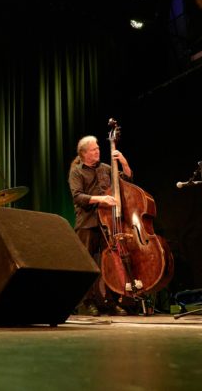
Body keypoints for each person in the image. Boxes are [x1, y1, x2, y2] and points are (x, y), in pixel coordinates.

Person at [68, 135, 133, 316]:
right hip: (87, 222)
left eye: (98, 148)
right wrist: (101, 199)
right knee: (87, 264)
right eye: (94, 149)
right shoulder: (76, 172)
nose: (98, 151)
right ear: (84, 153)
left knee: (110, 264)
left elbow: (127, 181)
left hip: (108, 223)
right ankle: (87, 303)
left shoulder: (106, 168)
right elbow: (78, 197)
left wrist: (124, 163)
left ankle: (111, 302)